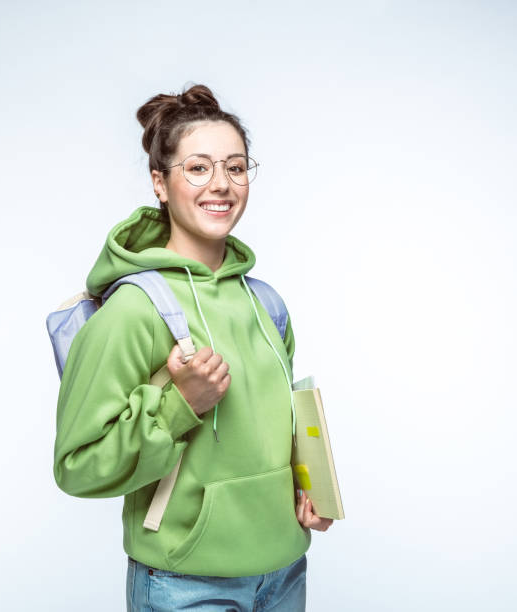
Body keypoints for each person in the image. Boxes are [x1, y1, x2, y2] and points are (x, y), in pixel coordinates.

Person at [53, 83, 333, 611]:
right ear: (160, 183)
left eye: (236, 167)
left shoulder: (266, 302)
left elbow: (277, 433)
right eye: (199, 168)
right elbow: (77, 466)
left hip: (284, 571)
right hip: (186, 586)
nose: (222, 185)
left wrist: (308, 489)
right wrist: (181, 406)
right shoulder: (134, 310)